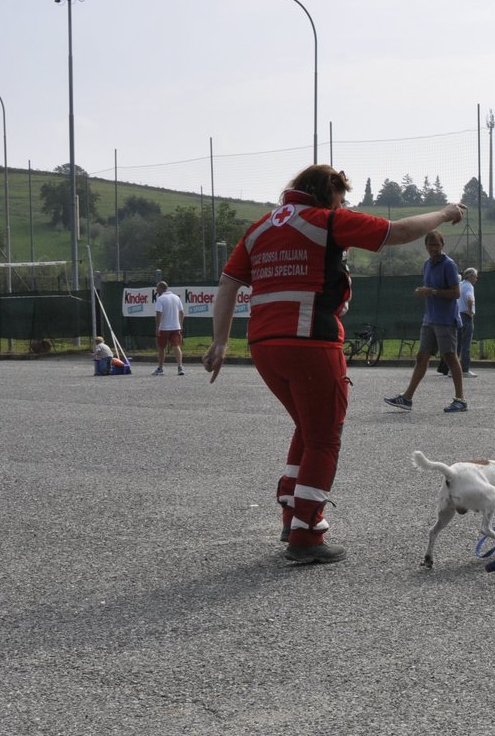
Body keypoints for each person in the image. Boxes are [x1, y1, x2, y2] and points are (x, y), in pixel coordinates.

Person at [204, 164, 466, 564]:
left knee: (309, 430)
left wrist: (220, 341)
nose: (343, 205)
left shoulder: (258, 230)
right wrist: (446, 213)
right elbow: (397, 232)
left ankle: (292, 514)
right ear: (329, 193)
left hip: (263, 346)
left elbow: (228, 283)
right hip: (310, 341)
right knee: (325, 437)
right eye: (342, 198)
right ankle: (307, 536)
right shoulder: (324, 220)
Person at [386, 231, 470, 413]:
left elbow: (455, 293)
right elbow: (429, 289)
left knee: (450, 357)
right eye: (430, 245)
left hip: (446, 319)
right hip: (430, 318)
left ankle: (460, 400)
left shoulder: (449, 265)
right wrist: (422, 291)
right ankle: (407, 398)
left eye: (436, 245)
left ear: (442, 245)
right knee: (421, 357)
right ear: (425, 246)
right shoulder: (426, 265)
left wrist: (431, 291)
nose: (433, 248)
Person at [152, 280, 186, 375]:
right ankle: (180, 367)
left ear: (162, 288)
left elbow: (159, 313)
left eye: (157, 288)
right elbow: (182, 312)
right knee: (176, 346)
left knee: (161, 348)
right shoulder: (176, 297)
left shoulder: (160, 299)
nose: (156, 290)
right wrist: (180, 324)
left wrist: (157, 327)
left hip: (164, 328)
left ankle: (160, 368)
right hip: (175, 327)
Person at [456, 267, 478, 378]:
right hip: (466, 316)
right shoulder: (469, 286)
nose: (476, 279)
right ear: (470, 276)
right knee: (466, 344)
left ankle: (453, 370)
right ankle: (465, 370)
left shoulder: (459, 285)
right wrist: (470, 312)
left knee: (457, 344)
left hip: (457, 316)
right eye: (475, 276)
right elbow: (470, 299)